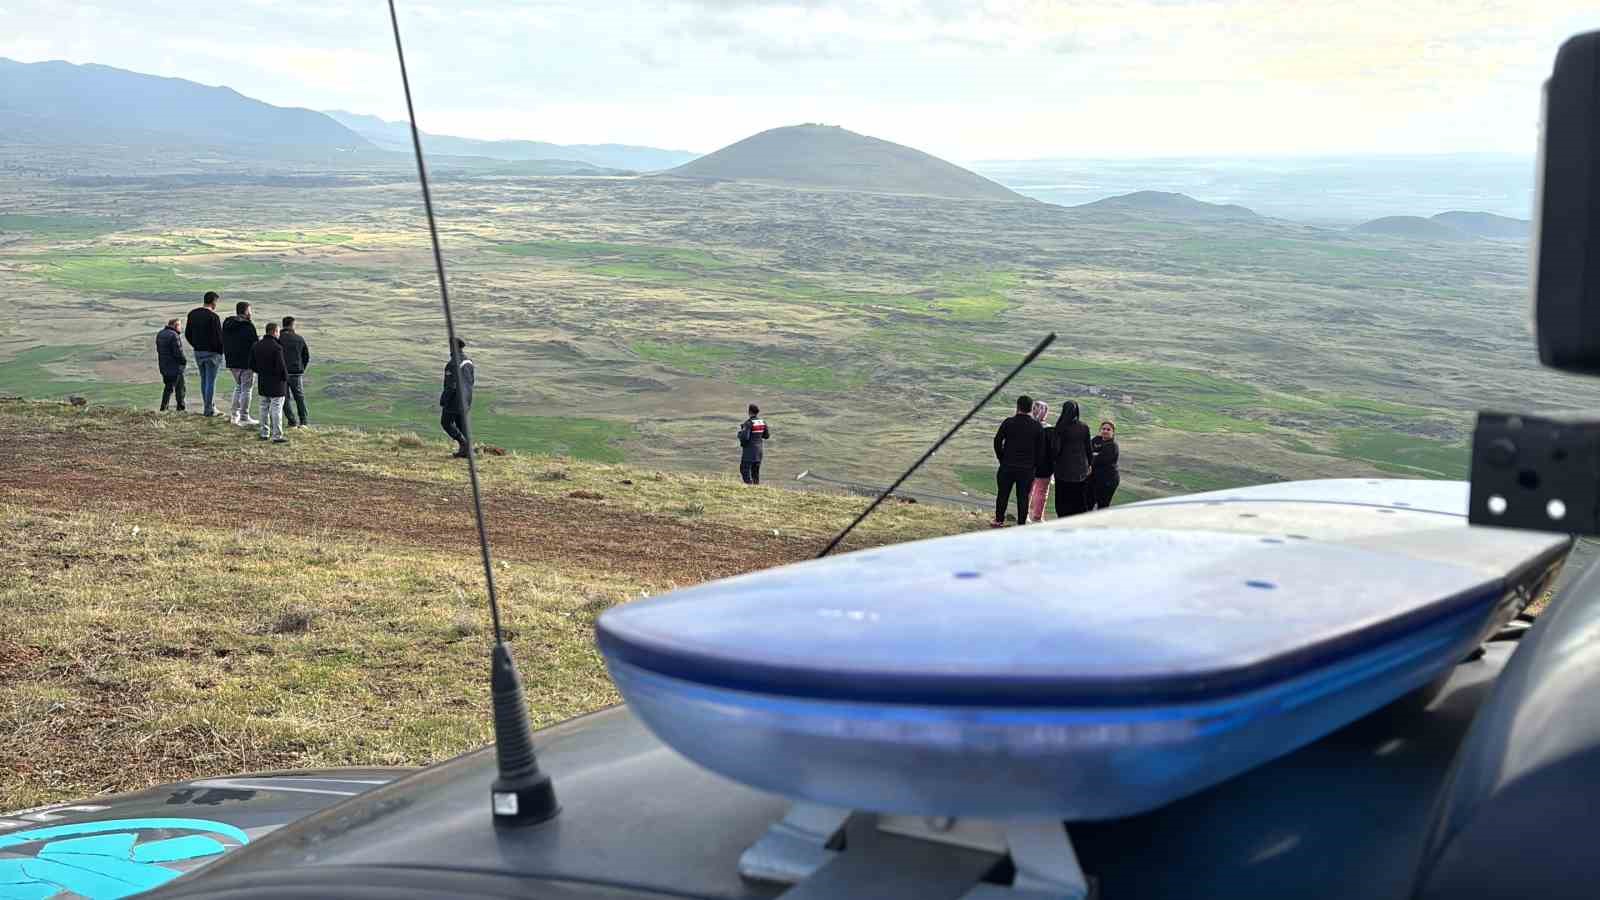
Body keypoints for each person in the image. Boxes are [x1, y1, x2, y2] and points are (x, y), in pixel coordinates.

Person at [992, 394, 1045, 527]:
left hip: (1007, 465)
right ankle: (1021, 524)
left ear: (1017, 406)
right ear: (1031, 408)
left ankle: (999, 520)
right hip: (1027, 469)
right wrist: (1034, 465)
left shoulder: (1009, 422)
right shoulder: (1037, 426)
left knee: (1003, 494)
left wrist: (1001, 457)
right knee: (1023, 497)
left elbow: (997, 441)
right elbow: (1041, 449)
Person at [184, 291, 225, 416]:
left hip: (198, 352)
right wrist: (220, 351)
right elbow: (219, 338)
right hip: (212, 354)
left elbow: (187, 334)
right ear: (213, 302)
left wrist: (196, 345)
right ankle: (209, 410)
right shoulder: (214, 317)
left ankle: (209, 406)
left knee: (204, 380)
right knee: (210, 381)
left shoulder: (192, 314)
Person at [1051, 400, 1093, 518]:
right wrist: (1090, 464)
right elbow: (1088, 448)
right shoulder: (1084, 427)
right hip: (1080, 471)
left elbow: (1055, 450)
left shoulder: (1059, 427)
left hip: (1062, 471)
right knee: (1079, 499)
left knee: (1062, 499)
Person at [222, 301, 259, 427]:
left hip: (232, 362)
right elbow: (255, 345)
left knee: (238, 387)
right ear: (246, 311)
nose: (251, 313)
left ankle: (234, 415)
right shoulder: (248, 326)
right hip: (246, 362)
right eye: (250, 310)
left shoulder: (227, 324)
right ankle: (244, 416)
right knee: (246, 389)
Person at [251, 321, 290, 444]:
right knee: (276, 409)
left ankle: (264, 433)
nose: (279, 334)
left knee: (263, 408)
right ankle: (277, 435)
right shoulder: (277, 347)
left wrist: (261, 372)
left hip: (263, 381)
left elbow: (252, 364)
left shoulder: (256, 345)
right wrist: (285, 379)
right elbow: (281, 367)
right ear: (274, 332)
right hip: (277, 384)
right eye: (278, 331)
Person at [439, 338, 477, 458]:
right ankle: (467, 451)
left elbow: (451, 386)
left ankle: (464, 444)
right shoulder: (469, 362)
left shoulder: (452, 364)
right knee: (461, 425)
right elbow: (471, 381)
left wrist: (444, 400)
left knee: (446, 423)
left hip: (454, 400)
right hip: (467, 399)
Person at [279, 316, 311, 428]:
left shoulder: (278, 339)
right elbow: (306, 356)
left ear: (283, 325)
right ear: (292, 325)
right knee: (299, 397)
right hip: (296, 372)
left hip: (281, 374)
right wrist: (301, 368)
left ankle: (292, 421)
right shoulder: (299, 338)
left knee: (284, 398)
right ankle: (304, 422)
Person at [1027, 399, 1053, 523]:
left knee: (1027, 491)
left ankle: (1025, 514)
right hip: (1044, 467)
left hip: (1028, 464)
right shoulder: (1050, 429)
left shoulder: (1027, 426)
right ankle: (1037, 517)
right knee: (1041, 492)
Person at [155, 318, 187, 412]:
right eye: (180, 325)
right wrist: (184, 361)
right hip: (175, 367)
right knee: (179, 388)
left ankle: (165, 408)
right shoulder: (174, 335)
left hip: (164, 366)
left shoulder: (160, 334)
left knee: (169, 387)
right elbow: (178, 352)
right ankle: (177, 408)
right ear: (175, 325)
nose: (181, 328)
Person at [1089, 420, 1120, 510]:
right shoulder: (1096, 440)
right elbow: (1087, 452)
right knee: (1088, 503)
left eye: (1108, 429)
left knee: (1102, 506)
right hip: (1094, 479)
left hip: (1108, 481)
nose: (1105, 431)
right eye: (1103, 429)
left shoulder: (1113, 446)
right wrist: (1094, 455)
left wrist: (1094, 455)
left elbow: (1099, 460)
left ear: (1113, 432)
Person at [738, 404, 770, 484]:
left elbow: (745, 437)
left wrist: (740, 433)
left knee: (744, 469)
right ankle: (756, 487)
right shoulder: (763, 422)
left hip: (749, 451)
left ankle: (749, 485)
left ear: (749, 412)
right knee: (755, 472)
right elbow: (766, 436)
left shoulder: (749, 423)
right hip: (759, 452)